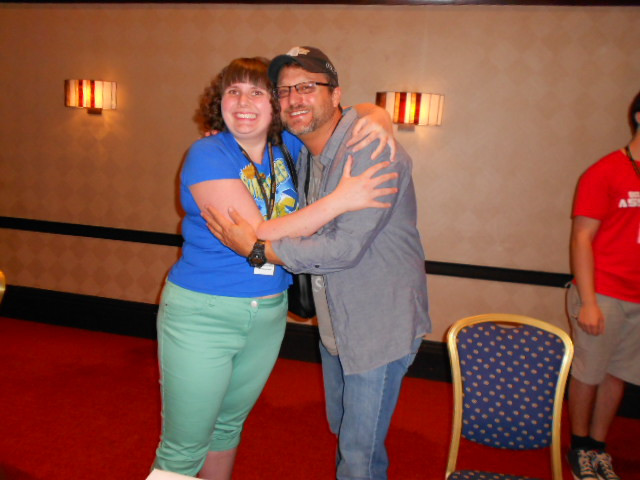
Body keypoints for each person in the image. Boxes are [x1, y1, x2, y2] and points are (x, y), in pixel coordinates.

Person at [152, 56, 399, 479]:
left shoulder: (288, 147)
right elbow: (257, 232)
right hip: (204, 312)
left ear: (275, 106)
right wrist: (340, 200)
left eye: (257, 93)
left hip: (267, 312)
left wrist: (379, 118)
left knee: (228, 427)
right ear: (219, 102)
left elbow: (348, 114)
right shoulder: (208, 153)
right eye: (233, 92)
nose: (243, 102)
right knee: (183, 447)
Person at [204, 47, 430, 480]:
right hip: (336, 320)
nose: (294, 99)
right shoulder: (304, 151)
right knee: (341, 428)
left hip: (378, 324)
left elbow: (343, 249)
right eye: (285, 91)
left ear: (335, 94)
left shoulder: (370, 148)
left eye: (307, 87)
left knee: (359, 457)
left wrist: (257, 249)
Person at [566, 90, 640, 480]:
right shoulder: (606, 170)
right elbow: (581, 238)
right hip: (603, 292)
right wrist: (589, 301)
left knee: (618, 375)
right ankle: (579, 446)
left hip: (638, 296)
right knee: (589, 373)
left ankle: (598, 446)